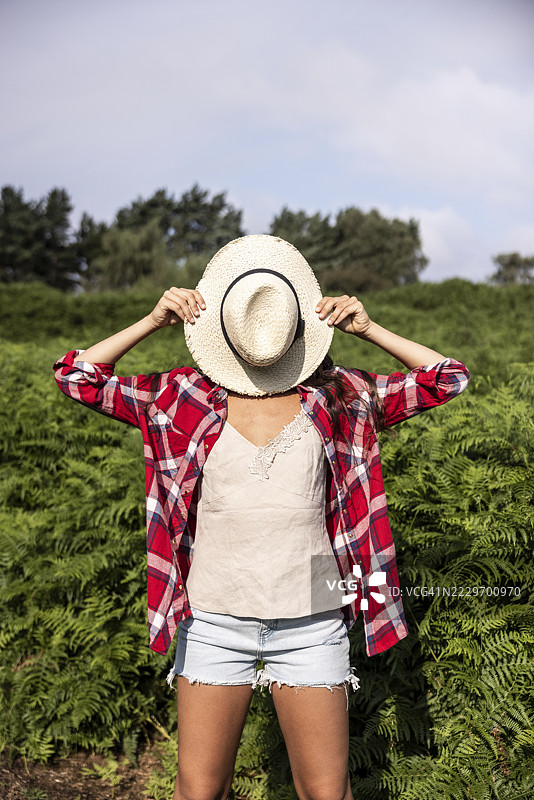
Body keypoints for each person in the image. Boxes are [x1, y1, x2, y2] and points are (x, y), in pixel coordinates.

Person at [53, 234, 470, 800]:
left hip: (312, 620)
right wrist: (152, 320)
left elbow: (447, 378)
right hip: (212, 622)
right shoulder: (181, 396)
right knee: (198, 790)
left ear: (298, 323)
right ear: (223, 328)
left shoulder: (339, 395)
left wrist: (368, 329)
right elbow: (76, 376)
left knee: (326, 792)